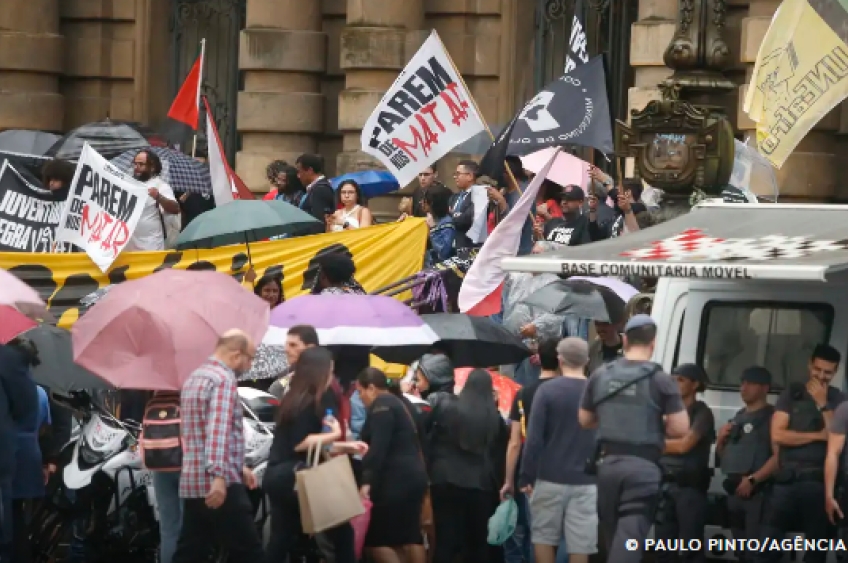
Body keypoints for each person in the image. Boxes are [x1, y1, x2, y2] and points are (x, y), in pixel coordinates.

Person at [577, 315, 690, 563]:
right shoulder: (660, 380)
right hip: (643, 469)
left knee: (612, 534)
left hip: (607, 468)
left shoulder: (600, 375)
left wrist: (612, 417)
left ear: (625, 340)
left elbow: (585, 420)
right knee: (630, 536)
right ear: (653, 343)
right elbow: (680, 429)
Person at [264, 347, 365, 563]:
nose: (332, 377)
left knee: (281, 540)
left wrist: (350, 447)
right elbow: (301, 443)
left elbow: (315, 445)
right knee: (342, 534)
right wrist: (336, 434)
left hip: (281, 476)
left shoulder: (295, 398)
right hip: (295, 477)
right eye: (330, 371)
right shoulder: (309, 402)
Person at [171, 330, 265, 563]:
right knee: (249, 551)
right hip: (218, 483)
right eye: (249, 358)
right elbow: (218, 429)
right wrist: (220, 475)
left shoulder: (194, 378)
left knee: (191, 550)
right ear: (236, 354)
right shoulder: (223, 380)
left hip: (193, 479)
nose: (250, 365)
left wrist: (237, 466)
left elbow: (195, 431)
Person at [761, 344, 846, 563]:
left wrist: (822, 404)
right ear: (810, 365)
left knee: (815, 550)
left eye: (828, 372)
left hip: (816, 483)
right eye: (818, 369)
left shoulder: (838, 400)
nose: (822, 376)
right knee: (768, 546)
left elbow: (834, 437)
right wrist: (818, 436)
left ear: (835, 372)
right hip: (785, 481)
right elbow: (778, 435)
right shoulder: (792, 393)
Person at [521, 338, 597, 563]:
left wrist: (526, 476)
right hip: (586, 480)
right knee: (580, 544)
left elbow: (534, 439)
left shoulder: (547, 391)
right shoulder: (597, 393)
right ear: (587, 361)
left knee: (544, 538)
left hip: (549, 477)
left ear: (560, 360)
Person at [427, 369, 506, 563]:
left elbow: (430, 436)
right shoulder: (495, 419)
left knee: (445, 540)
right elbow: (498, 456)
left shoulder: (447, 408)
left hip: (445, 481)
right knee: (478, 543)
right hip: (480, 487)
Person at [356, 368, 428, 563]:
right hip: (414, 476)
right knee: (410, 536)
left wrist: (367, 481)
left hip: (393, 481)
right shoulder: (402, 402)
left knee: (376, 541)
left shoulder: (381, 405)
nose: (360, 398)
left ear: (371, 388)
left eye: (360, 391)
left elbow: (379, 447)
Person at [501, 339, 563, 563]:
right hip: (566, 472)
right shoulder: (572, 392)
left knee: (536, 534)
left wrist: (508, 480)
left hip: (532, 474)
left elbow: (514, 443)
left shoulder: (523, 394)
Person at [655, 364, 715, 563]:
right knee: (663, 549)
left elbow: (684, 445)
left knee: (691, 549)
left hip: (689, 488)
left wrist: (653, 444)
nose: (674, 383)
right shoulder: (666, 412)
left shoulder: (702, 412)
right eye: (672, 379)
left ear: (695, 384)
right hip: (665, 485)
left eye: (680, 380)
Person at [716, 366, 777, 563]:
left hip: (758, 494)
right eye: (742, 383)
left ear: (765, 388)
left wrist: (753, 479)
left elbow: (779, 457)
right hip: (734, 493)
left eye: (750, 383)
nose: (744, 388)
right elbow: (725, 458)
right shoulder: (738, 417)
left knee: (757, 554)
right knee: (741, 554)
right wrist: (720, 441)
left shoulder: (772, 418)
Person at [4, 338, 49, 563]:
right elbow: (44, 425)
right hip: (30, 453)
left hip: (12, 455)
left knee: (9, 520)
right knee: (20, 517)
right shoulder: (38, 391)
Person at [127, 149, 180, 251]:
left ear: (152, 168)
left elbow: (175, 208)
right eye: (135, 164)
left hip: (150, 246)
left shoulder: (160, 186)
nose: (136, 167)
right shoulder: (129, 184)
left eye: (141, 164)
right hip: (128, 246)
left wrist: (158, 197)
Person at [268, 325, 320, 400]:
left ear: (310, 348)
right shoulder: (286, 374)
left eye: (293, 345)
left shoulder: (323, 377)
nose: (286, 349)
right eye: (286, 344)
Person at [449, 160, 483, 252]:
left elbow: (467, 219)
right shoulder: (454, 197)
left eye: (458, 174)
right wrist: (456, 215)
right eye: (455, 174)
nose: (455, 177)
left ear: (470, 176)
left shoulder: (480, 195)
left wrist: (453, 216)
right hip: (454, 248)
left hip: (470, 248)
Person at [295, 154, 336, 222]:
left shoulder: (320, 189)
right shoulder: (316, 188)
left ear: (310, 170)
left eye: (300, 171)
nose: (298, 176)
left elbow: (318, 222)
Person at [422, 185, 455, 266]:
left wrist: (433, 228)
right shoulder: (433, 218)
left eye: (425, 201)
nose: (422, 202)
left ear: (432, 203)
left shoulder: (447, 222)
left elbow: (444, 252)